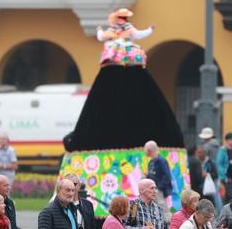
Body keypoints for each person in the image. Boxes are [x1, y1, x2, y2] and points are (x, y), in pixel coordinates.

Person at [63, 8, 184, 152]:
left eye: (124, 18)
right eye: (121, 17)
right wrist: (100, 31)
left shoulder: (127, 30)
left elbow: (138, 34)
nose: (122, 20)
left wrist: (149, 30)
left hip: (125, 58)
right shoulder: (114, 31)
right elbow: (103, 36)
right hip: (117, 58)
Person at [144, 140, 173, 224]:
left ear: (149, 149)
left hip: (159, 191)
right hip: (153, 190)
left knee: (164, 210)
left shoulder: (161, 161)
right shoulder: (151, 162)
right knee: (155, 210)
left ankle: (169, 228)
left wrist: (159, 188)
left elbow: (167, 176)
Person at [217, 132, 232, 204]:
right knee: (228, 199)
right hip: (226, 179)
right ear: (227, 140)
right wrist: (223, 176)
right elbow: (219, 164)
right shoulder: (222, 150)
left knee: (231, 198)